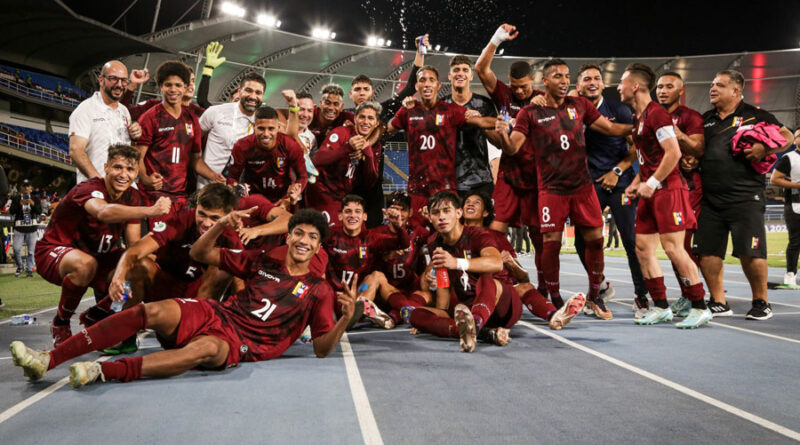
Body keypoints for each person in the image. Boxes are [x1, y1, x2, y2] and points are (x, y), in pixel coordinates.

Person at [10, 209, 357, 388]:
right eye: (298, 232)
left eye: (312, 237)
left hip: (243, 343)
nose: (303, 240)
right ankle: (48, 359)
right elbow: (204, 253)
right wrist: (220, 224)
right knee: (152, 310)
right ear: (290, 234)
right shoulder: (263, 260)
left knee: (203, 350)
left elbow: (322, 349)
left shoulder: (319, 289)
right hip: (217, 313)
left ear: (318, 245)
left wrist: (345, 317)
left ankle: (103, 371)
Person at [495, 59, 632, 318]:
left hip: (582, 187)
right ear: (544, 81)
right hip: (550, 189)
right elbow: (512, 148)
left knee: (596, 239)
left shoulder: (580, 106)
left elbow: (611, 128)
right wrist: (502, 133)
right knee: (550, 244)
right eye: (557, 76)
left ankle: (594, 296)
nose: (563, 80)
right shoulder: (530, 113)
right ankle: (556, 298)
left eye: (566, 76)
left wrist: (642, 125)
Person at [76, 184, 247, 354]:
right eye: (201, 214)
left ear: (227, 216)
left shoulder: (230, 237)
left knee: (224, 269)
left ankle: (199, 329)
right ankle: (124, 335)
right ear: (196, 208)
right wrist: (119, 278)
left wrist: (243, 324)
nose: (206, 223)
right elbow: (134, 251)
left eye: (214, 218)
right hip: (165, 288)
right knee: (139, 265)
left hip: (198, 295)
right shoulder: (180, 221)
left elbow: (240, 281)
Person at [34, 145, 171, 346]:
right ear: (106, 167)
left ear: (136, 174)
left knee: (145, 265)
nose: (124, 174)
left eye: (130, 170)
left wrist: (160, 246)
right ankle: (61, 321)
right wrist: (150, 211)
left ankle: (98, 314)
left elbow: (133, 244)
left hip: (99, 258)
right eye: (118, 167)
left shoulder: (132, 197)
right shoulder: (89, 189)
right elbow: (103, 212)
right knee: (85, 264)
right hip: (54, 252)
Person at [617, 63, 710, 328]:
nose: (618, 87)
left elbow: (674, 153)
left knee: (673, 249)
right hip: (650, 190)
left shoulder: (657, 115)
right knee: (643, 248)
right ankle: (660, 306)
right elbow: (647, 159)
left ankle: (700, 305)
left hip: (669, 190)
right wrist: (636, 182)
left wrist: (653, 182)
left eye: (622, 82)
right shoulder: (639, 117)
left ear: (635, 86)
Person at [697, 70, 794, 320]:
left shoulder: (756, 114)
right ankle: (718, 301)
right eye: (712, 84)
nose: (712, 88)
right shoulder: (705, 119)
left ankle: (761, 302)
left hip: (745, 195)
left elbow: (787, 136)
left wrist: (765, 147)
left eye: (719, 85)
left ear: (736, 91)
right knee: (708, 252)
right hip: (710, 197)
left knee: (751, 252)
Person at [407, 191, 521, 352]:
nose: (441, 217)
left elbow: (496, 263)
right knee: (415, 315)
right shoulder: (434, 243)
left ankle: (474, 324)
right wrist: (435, 318)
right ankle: (482, 333)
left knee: (486, 281)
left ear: (458, 213)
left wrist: (457, 263)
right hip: (468, 307)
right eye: (435, 212)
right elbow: (443, 288)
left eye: (447, 211)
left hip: (501, 305)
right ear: (430, 217)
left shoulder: (478, 234)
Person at [571, 63, 644, 308]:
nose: (592, 82)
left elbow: (636, 147)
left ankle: (642, 296)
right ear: (578, 85)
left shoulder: (620, 110)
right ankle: (599, 286)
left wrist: (617, 170)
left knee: (631, 240)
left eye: (597, 78)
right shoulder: (571, 109)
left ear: (603, 83)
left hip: (619, 182)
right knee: (582, 240)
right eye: (586, 78)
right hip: (587, 185)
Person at [386, 65, 497, 225]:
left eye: (431, 80)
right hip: (418, 190)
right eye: (422, 80)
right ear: (417, 86)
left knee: (448, 237)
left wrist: (509, 121)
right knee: (417, 235)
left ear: (438, 85)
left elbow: (481, 121)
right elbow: (386, 131)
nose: (427, 84)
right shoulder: (408, 111)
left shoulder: (450, 110)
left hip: (445, 189)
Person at [461, 191, 585, 331]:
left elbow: (523, 277)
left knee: (524, 286)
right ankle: (476, 325)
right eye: (467, 202)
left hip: (500, 294)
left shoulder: (497, 237)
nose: (470, 204)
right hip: (468, 289)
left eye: (476, 202)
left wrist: (511, 264)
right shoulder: (455, 235)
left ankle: (555, 316)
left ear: (485, 213)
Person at [136, 61, 223, 213]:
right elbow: (138, 156)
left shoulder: (192, 119)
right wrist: (145, 178)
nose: (173, 89)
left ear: (185, 87)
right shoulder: (150, 117)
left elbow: (195, 159)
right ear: (161, 86)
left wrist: (214, 176)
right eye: (168, 85)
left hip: (181, 197)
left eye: (178, 85)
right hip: (154, 195)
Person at [654, 71, 707, 317]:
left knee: (681, 246)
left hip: (685, 188)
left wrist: (678, 134)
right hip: (657, 187)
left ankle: (694, 298)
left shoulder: (690, 117)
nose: (663, 91)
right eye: (660, 86)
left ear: (680, 91)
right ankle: (684, 295)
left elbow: (698, 147)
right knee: (656, 247)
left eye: (669, 86)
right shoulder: (650, 115)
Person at [323, 195, 408, 328]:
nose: (353, 216)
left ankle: (359, 310)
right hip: (334, 297)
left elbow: (402, 244)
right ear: (340, 216)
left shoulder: (371, 238)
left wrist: (398, 226)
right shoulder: (329, 236)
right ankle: (351, 315)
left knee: (376, 276)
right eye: (348, 211)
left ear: (365, 216)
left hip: (359, 293)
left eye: (357, 212)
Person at [306, 101, 381, 224]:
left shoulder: (374, 146)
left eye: (370, 118)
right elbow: (318, 159)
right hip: (322, 193)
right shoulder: (341, 133)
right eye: (362, 117)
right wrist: (347, 148)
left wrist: (368, 154)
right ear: (355, 119)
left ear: (376, 123)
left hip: (342, 198)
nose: (366, 121)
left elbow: (369, 182)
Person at [68, 60, 140, 183]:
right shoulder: (85, 110)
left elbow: (128, 151)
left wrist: (135, 137)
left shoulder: (124, 112)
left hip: (120, 186)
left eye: (123, 80)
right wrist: (99, 182)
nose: (119, 84)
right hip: (94, 188)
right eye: (113, 79)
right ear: (101, 80)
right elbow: (76, 150)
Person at [122, 41, 226, 120]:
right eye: (186, 81)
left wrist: (208, 69)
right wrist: (132, 85)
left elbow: (203, 101)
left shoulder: (198, 113)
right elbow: (123, 113)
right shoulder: (153, 106)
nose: (190, 84)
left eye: (193, 80)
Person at [442, 55, 498, 198]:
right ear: (450, 75)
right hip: (448, 182)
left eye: (465, 70)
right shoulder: (440, 106)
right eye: (456, 70)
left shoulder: (484, 104)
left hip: (481, 181)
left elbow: (497, 142)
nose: (460, 73)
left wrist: (481, 122)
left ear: (471, 76)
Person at [225, 106, 308, 204]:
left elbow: (302, 176)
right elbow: (231, 177)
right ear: (253, 127)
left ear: (278, 127)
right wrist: (239, 190)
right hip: (252, 201)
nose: (266, 134)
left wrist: (292, 194)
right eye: (261, 128)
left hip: (283, 201)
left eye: (271, 128)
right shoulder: (242, 146)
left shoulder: (290, 145)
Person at [199, 72, 266, 188]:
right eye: (249, 90)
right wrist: (208, 174)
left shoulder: (263, 125)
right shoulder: (215, 112)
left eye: (258, 93)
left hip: (239, 191)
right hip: (207, 187)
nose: (253, 96)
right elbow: (192, 145)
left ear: (263, 96)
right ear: (240, 92)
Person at [770, 129, 800, 287]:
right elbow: (774, 179)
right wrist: (797, 185)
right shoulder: (789, 158)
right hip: (795, 205)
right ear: (794, 140)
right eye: (799, 136)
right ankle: (790, 274)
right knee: (795, 242)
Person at [9, 179, 41, 278]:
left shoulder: (35, 198)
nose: (26, 188)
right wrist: (19, 204)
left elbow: (39, 211)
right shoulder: (16, 198)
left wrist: (32, 204)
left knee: (31, 252)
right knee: (16, 248)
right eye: (24, 186)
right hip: (19, 228)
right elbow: (11, 211)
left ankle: (29, 270)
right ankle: (20, 266)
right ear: (21, 187)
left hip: (31, 228)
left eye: (28, 186)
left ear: (31, 187)